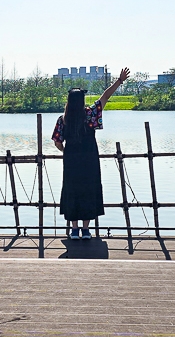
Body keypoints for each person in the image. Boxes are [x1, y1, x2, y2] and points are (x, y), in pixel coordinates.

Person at [52, 68, 130, 239]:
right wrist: (119, 81)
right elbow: (105, 96)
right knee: (88, 189)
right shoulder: (90, 114)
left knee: (72, 190)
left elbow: (57, 142)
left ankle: (74, 229)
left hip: (71, 160)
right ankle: (86, 230)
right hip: (89, 158)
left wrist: (66, 152)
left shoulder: (63, 119)